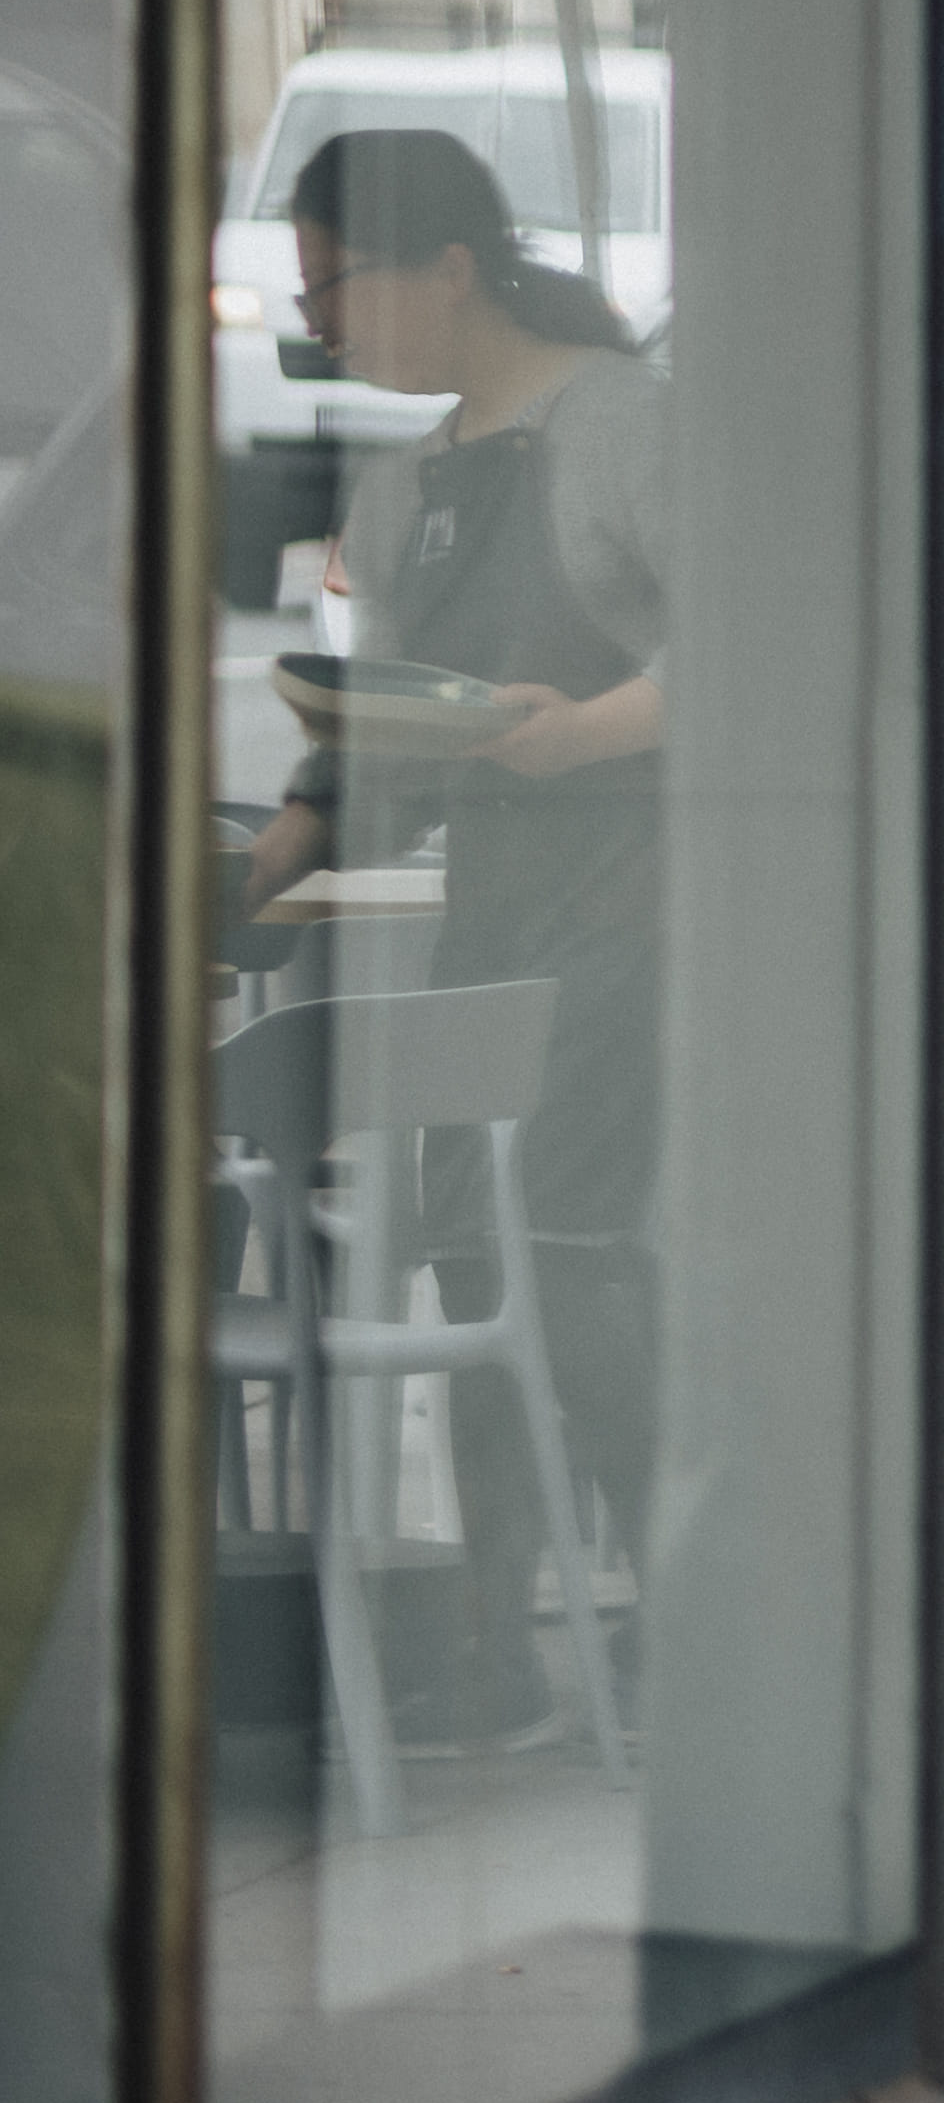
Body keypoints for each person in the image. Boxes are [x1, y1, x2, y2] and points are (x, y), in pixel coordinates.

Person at [260, 126, 671, 1753]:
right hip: (495, 901)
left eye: (336, 287)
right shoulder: (403, 478)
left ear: (447, 265)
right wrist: (279, 840)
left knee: (565, 1253)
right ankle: (496, 1638)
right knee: (470, 1247)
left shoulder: (627, 425)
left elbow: (763, 644)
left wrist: (581, 733)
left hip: (640, 886)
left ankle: (696, 1622)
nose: (326, 327)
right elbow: (380, 728)